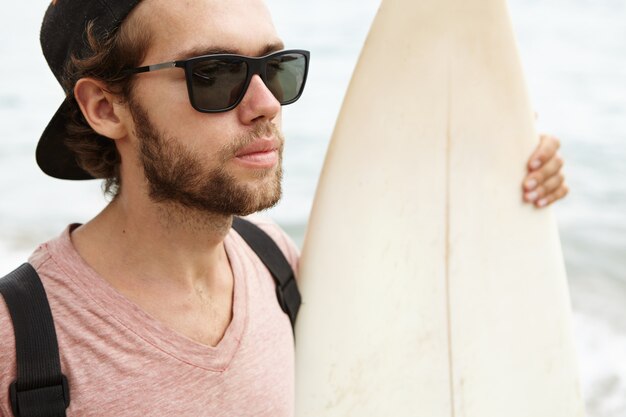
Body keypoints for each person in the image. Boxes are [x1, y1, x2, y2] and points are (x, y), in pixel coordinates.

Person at [0, 0, 569, 416]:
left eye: (276, 68)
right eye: (215, 75)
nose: (267, 104)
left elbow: (429, 323)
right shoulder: (20, 343)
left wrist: (504, 184)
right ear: (105, 107)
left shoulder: (278, 266)